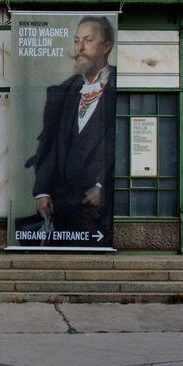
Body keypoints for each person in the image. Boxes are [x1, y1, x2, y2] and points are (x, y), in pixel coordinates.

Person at [26, 16, 116, 245]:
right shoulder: (64, 91)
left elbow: (124, 143)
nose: (80, 48)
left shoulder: (120, 87)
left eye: (88, 40)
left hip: (98, 209)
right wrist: (42, 191)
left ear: (106, 47)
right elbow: (50, 142)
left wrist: (102, 186)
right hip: (61, 205)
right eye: (77, 41)